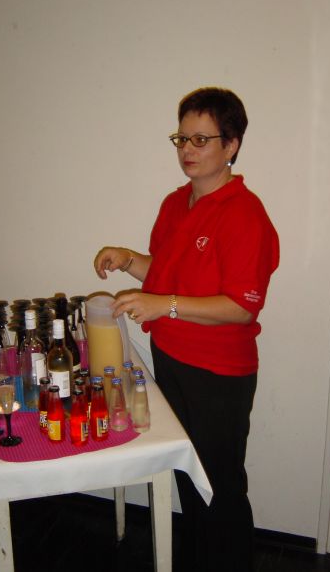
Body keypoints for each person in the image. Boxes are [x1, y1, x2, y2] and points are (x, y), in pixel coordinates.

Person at [94, 87, 279, 571]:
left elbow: (240, 308)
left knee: (219, 485)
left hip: (218, 373)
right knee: (188, 476)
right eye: (182, 139)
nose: (188, 150)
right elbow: (166, 274)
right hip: (172, 358)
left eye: (201, 140)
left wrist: (163, 305)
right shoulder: (176, 203)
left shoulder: (245, 214)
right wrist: (128, 260)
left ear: (231, 145)